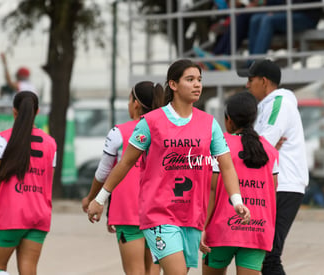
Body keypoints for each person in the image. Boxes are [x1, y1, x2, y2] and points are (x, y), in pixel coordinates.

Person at [87, 59, 251, 274]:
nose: (197, 85)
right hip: (159, 213)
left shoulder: (209, 124)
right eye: (190, 80)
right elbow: (125, 162)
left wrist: (237, 201)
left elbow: (227, 166)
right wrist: (100, 199)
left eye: (199, 80)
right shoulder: (151, 122)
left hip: (192, 215)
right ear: (173, 85)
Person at [81, 81, 165, 275]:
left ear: (135, 103)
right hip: (159, 212)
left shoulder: (119, 132)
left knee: (135, 272)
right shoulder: (165, 131)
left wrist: (92, 198)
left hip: (129, 213)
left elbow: (103, 173)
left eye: (129, 100)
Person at [237, 59, 309, 275]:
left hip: (284, 186)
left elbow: (261, 146)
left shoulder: (279, 103)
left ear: (264, 81)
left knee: (268, 255)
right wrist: (257, 143)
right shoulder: (266, 106)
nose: (247, 85)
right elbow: (259, 145)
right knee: (264, 255)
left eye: (250, 80)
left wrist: (257, 143)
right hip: (276, 185)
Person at [200, 91, 279, 275]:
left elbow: (212, 190)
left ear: (228, 120)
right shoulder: (269, 150)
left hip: (222, 230)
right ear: (254, 119)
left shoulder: (219, 146)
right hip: (257, 230)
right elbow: (272, 192)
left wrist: (202, 227)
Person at [0, 91, 57, 275]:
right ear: (37, 111)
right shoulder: (51, 143)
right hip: (39, 214)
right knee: (29, 270)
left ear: (14, 112)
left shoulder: (4, 138)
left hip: (10, 216)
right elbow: (49, 181)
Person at [247, 0, 322, 55]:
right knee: (255, 19)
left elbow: (300, 4)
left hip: (307, 16)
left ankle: (255, 64)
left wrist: (277, 11)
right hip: (289, 13)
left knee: (268, 20)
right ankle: (250, 64)